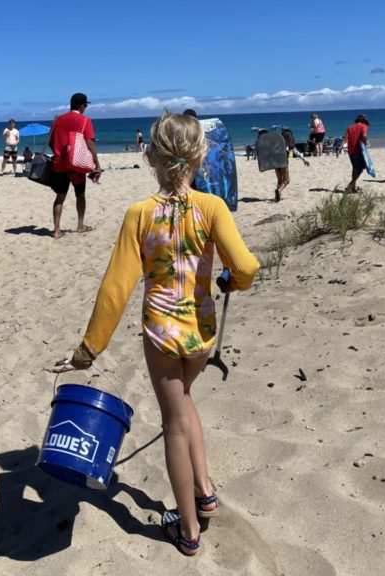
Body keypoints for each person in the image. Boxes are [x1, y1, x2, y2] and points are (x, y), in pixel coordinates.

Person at [56, 110, 259, 556]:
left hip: (163, 336)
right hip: (202, 332)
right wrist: (232, 283)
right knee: (185, 403)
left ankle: (187, 529)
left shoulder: (140, 214)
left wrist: (89, 349)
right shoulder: (212, 208)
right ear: (200, 158)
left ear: (151, 157)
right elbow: (244, 266)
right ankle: (204, 490)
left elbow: (116, 287)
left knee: (173, 422)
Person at [47, 92, 100, 239]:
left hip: (59, 165)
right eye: (85, 105)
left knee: (60, 198)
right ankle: (80, 225)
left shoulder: (58, 120)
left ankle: (56, 230)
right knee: (80, 195)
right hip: (76, 165)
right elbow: (89, 144)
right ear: (82, 106)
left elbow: (51, 141)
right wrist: (96, 163)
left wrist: (58, 152)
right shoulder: (85, 121)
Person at [275, 129, 309, 202]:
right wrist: (304, 160)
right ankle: (279, 191)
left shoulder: (277, 144)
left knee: (279, 180)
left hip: (276, 164)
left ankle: (278, 195)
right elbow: (297, 153)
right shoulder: (290, 146)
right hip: (284, 164)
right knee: (287, 180)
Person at [344, 114, 371, 193]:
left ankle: (353, 188)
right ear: (363, 120)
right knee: (360, 169)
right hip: (358, 150)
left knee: (355, 168)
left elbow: (345, 139)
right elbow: (364, 135)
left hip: (350, 151)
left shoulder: (350, 127)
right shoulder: (363, 126)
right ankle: (351, 185)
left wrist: (339, 149)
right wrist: (366, 143)